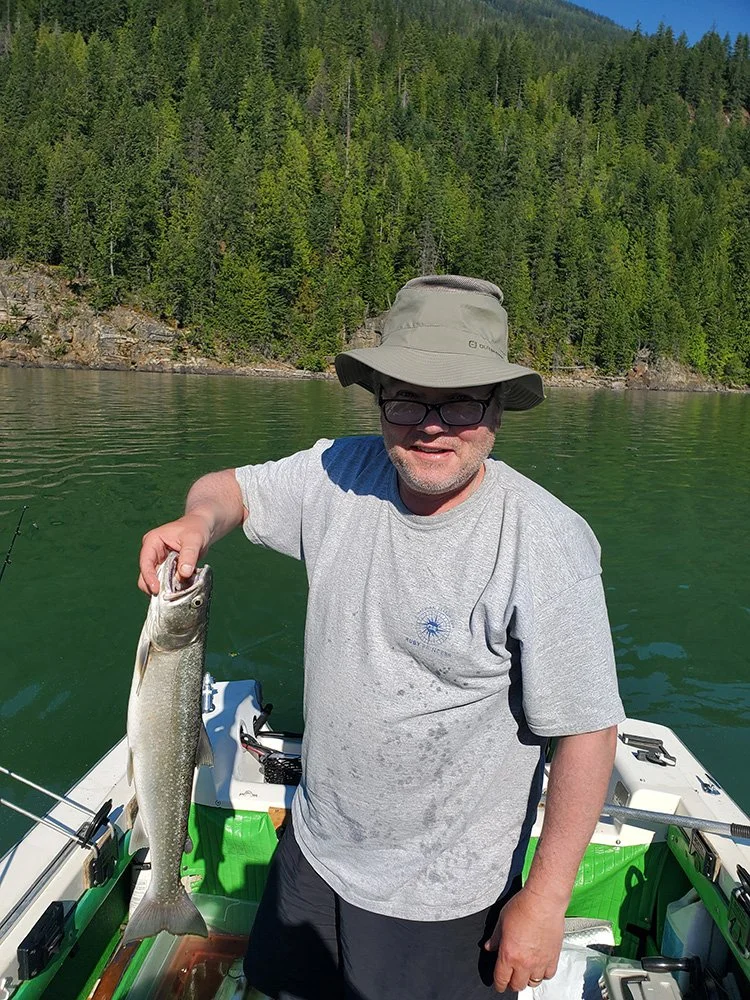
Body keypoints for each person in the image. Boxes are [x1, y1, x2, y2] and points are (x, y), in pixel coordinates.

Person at [138, 275, 624, 1000]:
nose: (432, 424)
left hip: (442, 893)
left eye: (461, 400)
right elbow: (229, 488)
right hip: (316, 848)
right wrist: (198, 523)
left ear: (497, 409)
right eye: (407, 398)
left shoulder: (546, 545)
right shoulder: (340, 471)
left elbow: (588, 731)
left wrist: (545, 902)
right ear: (378, 397)